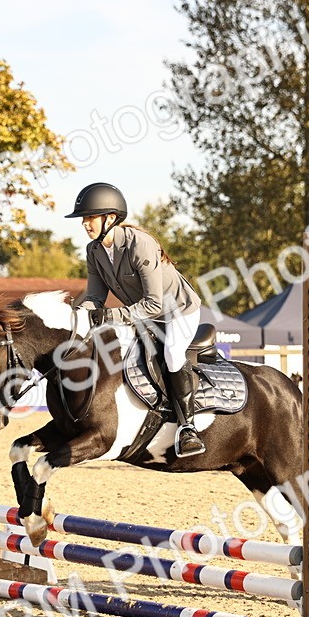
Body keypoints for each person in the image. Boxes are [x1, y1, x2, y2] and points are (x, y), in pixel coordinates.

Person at [67, 182, 206, 457]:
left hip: (177, 310)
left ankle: (188, 428)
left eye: (90, 217)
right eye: (84, 219)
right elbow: (95, 296)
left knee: (173, 353)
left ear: (110, 218)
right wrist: (76, 315)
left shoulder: (140, 245)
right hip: (142, 314)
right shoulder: (94, 251)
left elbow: (154, 303)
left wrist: (112, 315)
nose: (85, 224)